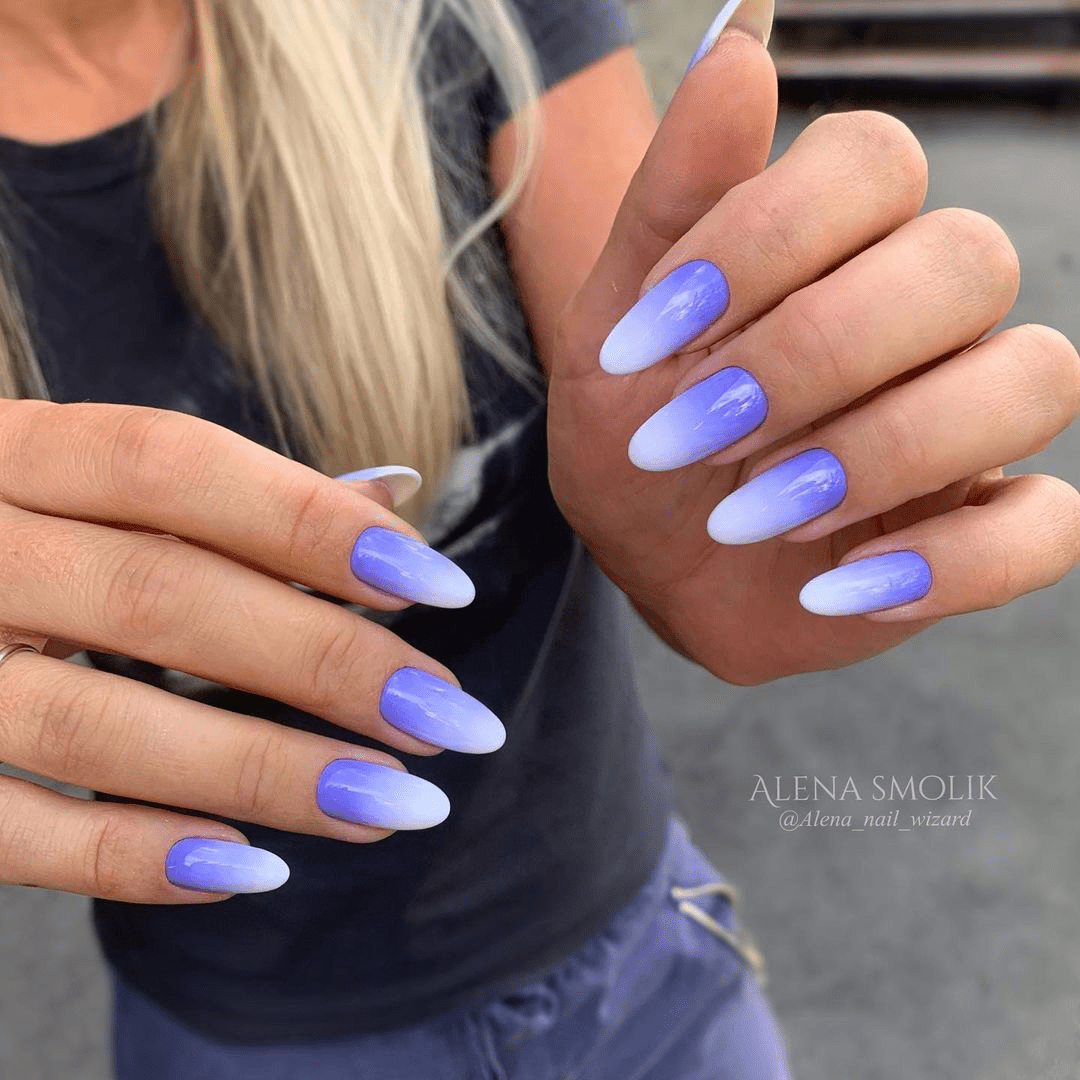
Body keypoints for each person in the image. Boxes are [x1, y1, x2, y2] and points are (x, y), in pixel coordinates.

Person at [0, 0, 1075, 1076]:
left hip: (646, 975)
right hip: (239, 1037)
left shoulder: (474, 16)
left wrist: (759, 494)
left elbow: (660, 443)